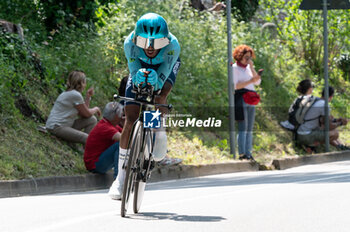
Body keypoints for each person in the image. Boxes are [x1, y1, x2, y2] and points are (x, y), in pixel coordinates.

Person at [108, 13, 181, 200]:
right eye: (145, 41)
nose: (149, 47)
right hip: (139, 67)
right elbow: (133, 71)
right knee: (130, 118)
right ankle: (120, 179)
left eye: (156, 43)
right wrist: (139, 78)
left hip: (164, 67)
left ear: (164, 41)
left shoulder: (173, 46)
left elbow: (162, 77)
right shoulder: (129, 44)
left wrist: (156, 84)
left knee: (160, 94)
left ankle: (158, 130)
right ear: (136, 38)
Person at [46, 70, 101, 145]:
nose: (85, 85)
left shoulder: (71, 93)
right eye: (84, 82)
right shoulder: (75, 95)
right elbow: (87, 113)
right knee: (87, 138)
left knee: (92, 119)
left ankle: (84, 147)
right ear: (80, 83)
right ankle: (85, 150)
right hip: (57, 127)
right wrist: (96, 109)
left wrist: (88, 97)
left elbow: (83, 115)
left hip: (65, 125)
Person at [232, 44, 262, 161]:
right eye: (246, 57)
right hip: (241, 98)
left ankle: (249, 153)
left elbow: (257, 82)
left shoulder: (249, 68)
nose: (248, 60)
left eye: (250, 57)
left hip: (251, 99)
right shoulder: (234, 68)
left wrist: (252, 68)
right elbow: (235, 86)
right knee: (243, 127)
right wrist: (250, 80)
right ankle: (242, 153)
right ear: (239, 56)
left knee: (250, 128)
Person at [296, 86, 350, 151]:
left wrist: (336, 120)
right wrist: (341, 123)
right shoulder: (324, 105)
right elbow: (328, 126)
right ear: (331, 97)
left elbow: (323, 121)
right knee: (335, 133)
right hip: (306, 135)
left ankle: (340, 146)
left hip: (301, 132)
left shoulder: (317, 101)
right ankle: (311, 145)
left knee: (327, 132)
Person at [84, 102, 123, 178]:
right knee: (120, 145)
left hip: (97, 162)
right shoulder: (106, 128)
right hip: (95, 165)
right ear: (116, 116)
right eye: (121, 114)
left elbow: (127, 134)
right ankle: (118, 177)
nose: (122, 116)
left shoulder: (109, 124)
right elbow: (125, 139)